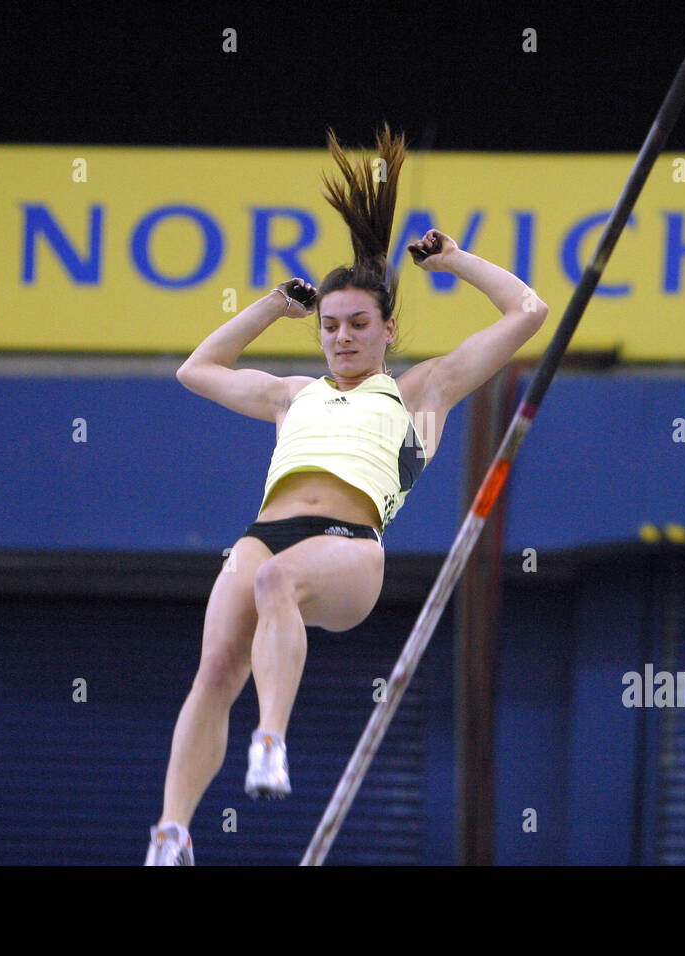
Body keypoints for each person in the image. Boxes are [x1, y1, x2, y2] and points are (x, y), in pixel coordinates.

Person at [146, 123, 548, 864]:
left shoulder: (423, 389)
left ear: (389, 329)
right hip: (264, 532)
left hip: (349, 552)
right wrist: (271, 307)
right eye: (330, 327)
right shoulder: (292, 394)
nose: (342, 338)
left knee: (276, 581)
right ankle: (173, 832)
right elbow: (197, 370)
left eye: (359, 325)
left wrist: (456, 260)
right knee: (214, 668)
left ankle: (271, 741)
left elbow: (529, 312)